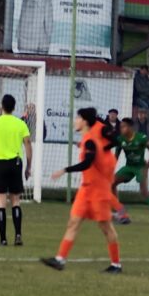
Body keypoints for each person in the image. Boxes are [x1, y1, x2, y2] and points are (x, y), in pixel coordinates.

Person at [40, 108, 123, 273]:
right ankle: (60, 259)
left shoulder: (91, 140)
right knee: (73, 222)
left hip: (98, 191)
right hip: (86, 190)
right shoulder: (87, 139)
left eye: (78, 118)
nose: (75, 121)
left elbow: (87, 163)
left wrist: (64, 170)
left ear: (84, 121)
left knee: (106, 227)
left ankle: (116, 264)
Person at [0, 94, 32, 246]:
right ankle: (18, 235)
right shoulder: (21, 124)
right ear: (14, 107)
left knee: (1, 202)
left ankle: (3, 239)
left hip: (0, 164)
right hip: (16, 163)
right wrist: (28, 167)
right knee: (16, 201)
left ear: (2, 106)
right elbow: (28, 145)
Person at [113, 117, 149, 226]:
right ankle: (120, 212)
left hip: (140, 167)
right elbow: (115, 157)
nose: (121, 129)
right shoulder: (120, 139)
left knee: (144, 191)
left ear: (130, 127)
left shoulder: (141, 138)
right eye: (120, 127)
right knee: (111, 183)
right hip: (129, 167)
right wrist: (109, 169)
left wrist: (146, 168)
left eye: (123, 127)